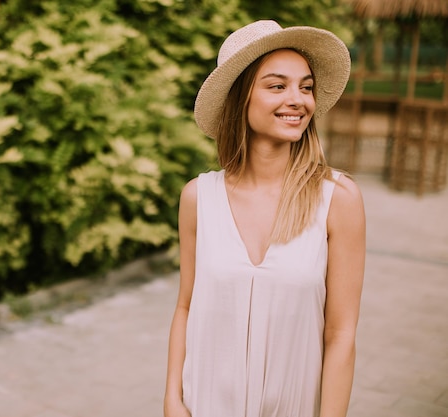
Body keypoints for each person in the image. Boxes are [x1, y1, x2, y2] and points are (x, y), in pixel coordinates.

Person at [164, 20, 366, 417]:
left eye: (305, 87)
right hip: (204, 403)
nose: (299, 99)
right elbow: (186, 305)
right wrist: (172, 398)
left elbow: (340, 334)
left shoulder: (338, 199)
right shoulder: (198, 198)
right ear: (242, 98)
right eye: (277, 86)